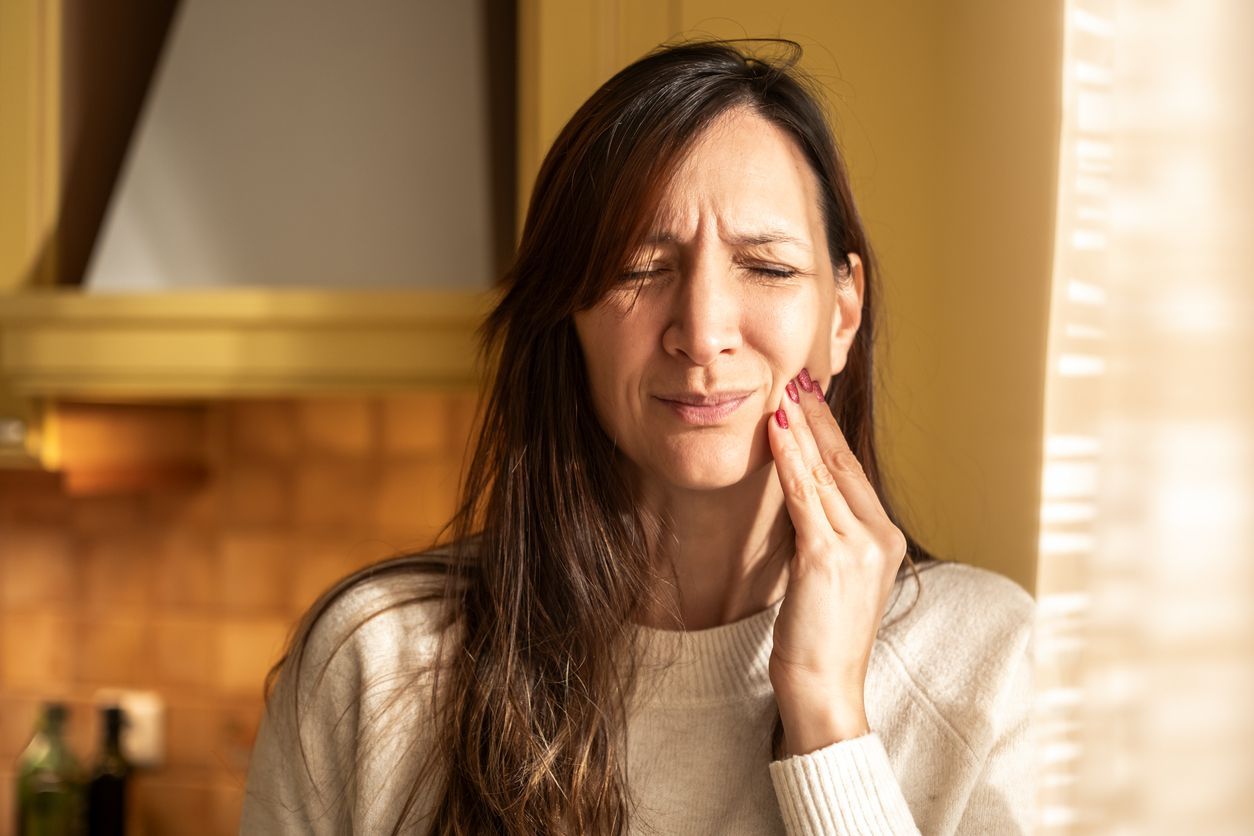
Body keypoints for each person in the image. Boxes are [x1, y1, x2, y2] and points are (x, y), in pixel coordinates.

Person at [240, 38, 1035, 835]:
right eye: (638, 268)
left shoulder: (985, 661)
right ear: (569, 314)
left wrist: (828, 718)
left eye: (766, 267)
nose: (701, 332)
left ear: (842, 314)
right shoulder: (377, 660)